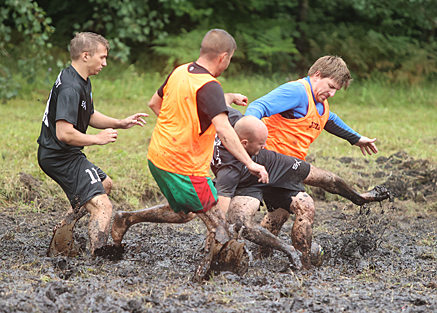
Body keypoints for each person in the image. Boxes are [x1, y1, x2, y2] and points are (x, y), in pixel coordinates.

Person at [113, 29, 268, 280]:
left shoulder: (180, 71)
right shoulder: (210, 85)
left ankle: (126, 218)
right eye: (229, 60)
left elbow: (155, 103)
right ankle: (204, 281)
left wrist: (178, 129)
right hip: (183, 167)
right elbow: (226, 131)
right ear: (223, 57)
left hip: (158, 157)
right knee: (219, 226)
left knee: (185, 214)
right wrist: (250, 163)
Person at [211, 107, 390, 269]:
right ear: (243, 143)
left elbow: (219, 102)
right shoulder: (229, 171)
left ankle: (358, 197)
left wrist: (233, 97)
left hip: (273, 164)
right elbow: (220, 213)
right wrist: (214, 242)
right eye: (260, 144)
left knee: (324, 178)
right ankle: (287, 251)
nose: (264, 145)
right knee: (241, 225)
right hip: (246, 183)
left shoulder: (229, 120)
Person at [37, 32, 148, 256]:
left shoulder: (80, 79)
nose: (105, 63)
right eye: (102, 57)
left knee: (105, 184)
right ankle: (97, 258)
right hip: (60, 156)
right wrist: (98, 139)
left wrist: (120, 123)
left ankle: (62, 232)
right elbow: (64, 133)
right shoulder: (71, 87)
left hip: (63, 153)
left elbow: (87, 114)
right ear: (85, 56)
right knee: (103, 206)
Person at [244, 55, 380, 238]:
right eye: (331, 87)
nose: (332, 94)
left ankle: (262, 258)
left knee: (279, 214)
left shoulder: (320, 103)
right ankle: (303, 263)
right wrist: (248, 135)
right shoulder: (297, 91)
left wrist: (355, 138)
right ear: (317, 75)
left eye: (336, 90)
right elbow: (257, 107)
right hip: (268, 160)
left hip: (287, 168)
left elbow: (329, 119)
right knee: (306, 206)